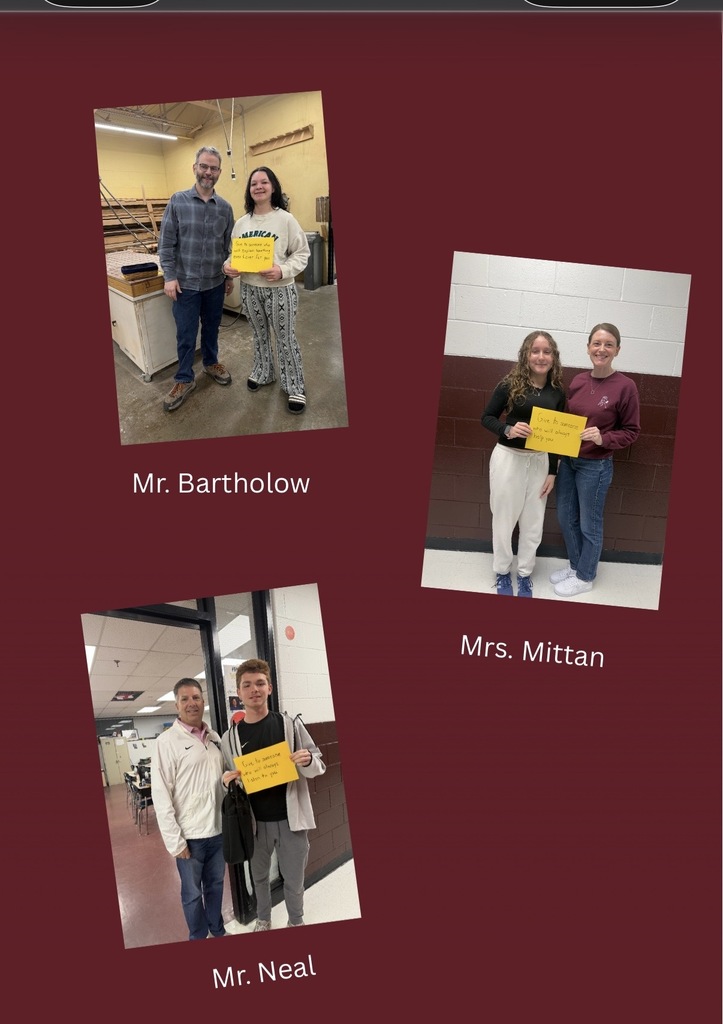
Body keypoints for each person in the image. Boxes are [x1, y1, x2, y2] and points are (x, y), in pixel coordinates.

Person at [221, 658, 325, 931]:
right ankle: (263, 919)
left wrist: (307, 762)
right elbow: (227, 779)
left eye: (260, 683)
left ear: (269, 688)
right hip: (254, 826)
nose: (254, 689)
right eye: (247, 685)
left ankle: (296, 921)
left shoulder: (289, 724)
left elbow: (319, 765)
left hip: (292, 821)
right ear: (239, 692)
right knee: (258, 879)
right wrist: (225, 781)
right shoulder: (228, 738)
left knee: (293, 879)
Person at [551, 322, 641, 597]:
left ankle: (586, 576)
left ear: (617, 350)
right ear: (588, 347)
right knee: (566, 518)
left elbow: (631, 431)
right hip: (568, 461)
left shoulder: (626, 387)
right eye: (597, 343)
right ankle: (576, 565)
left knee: (590, 523)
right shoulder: (578, 381)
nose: (601, 349)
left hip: (596, 466)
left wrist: (604, 439)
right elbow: (565, 421)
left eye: (608, 344)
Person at [482, 331, 566, 597]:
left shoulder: (557, 393)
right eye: (535, 351)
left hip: (540, 463)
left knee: (533, 523)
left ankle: (525, 574)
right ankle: (503, 572)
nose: (541, 356)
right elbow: (486, 417)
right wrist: (508, 429)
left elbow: (557, 440)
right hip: (509, 460)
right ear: (526, 355)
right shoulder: (509, 384)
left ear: (554, 357)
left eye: (546, 351)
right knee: (504, 520)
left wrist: (553, 472)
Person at [223, 167, 310, 414]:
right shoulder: (241, 223)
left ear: (273, 187)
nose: (258, 187)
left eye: (264, 182)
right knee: (259, 335)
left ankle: (294, 385)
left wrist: (282, 270)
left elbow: (302, 253)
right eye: (253, 184)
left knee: (285, 338)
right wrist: (228, 267)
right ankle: (264, 373)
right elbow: (233, 255)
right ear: (249, 190)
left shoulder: (286, 219)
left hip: (280, 290)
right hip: (250, 290)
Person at [157, 145, 235, 412]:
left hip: (214, 283)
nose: (208, 172)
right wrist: (170, 276)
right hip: (186, 285)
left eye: (213, 168)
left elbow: (228, 248)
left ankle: (211, 363)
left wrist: (228, 277)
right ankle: (184, 378)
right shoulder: (177, 201)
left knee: (212, 328)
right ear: (195, 168)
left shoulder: (225, 208)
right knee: (187, 334)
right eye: (204, 166)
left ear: (219, 172)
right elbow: (166, 243)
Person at [152, 678, 230, 940]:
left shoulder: (215, 738)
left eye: (196, 697)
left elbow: (216, 782)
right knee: (192, 893)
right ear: (176, 704)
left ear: (203, 701)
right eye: (184, 699)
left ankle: (217, 930)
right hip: (190, 838)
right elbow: (161, 795)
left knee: (216, 885)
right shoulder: (167, 742)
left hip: (217, 831)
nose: (191, 703)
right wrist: (176, 841)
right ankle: (198, 936)